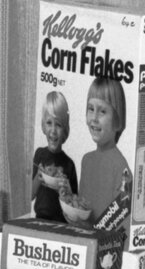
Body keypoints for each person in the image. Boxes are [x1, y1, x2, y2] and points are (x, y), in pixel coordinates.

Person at [78, 76, 132, 225]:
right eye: (91, 109)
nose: (94, 118)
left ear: (117, 120)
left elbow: (122, 220)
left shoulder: (121, 168)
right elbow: (83, 211)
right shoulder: (86, 161)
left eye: (102, 111)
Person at [31, 90, 77, 221]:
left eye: (58, 125)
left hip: (61, 224)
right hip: (39, 220)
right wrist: (38, 178)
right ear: (43, 126)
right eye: (49, 123)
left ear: (65, 130)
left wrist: (66, 191)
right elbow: (30, 196)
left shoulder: (69, 164)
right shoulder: (39, 154)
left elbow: (74, 210)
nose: (53, 130)